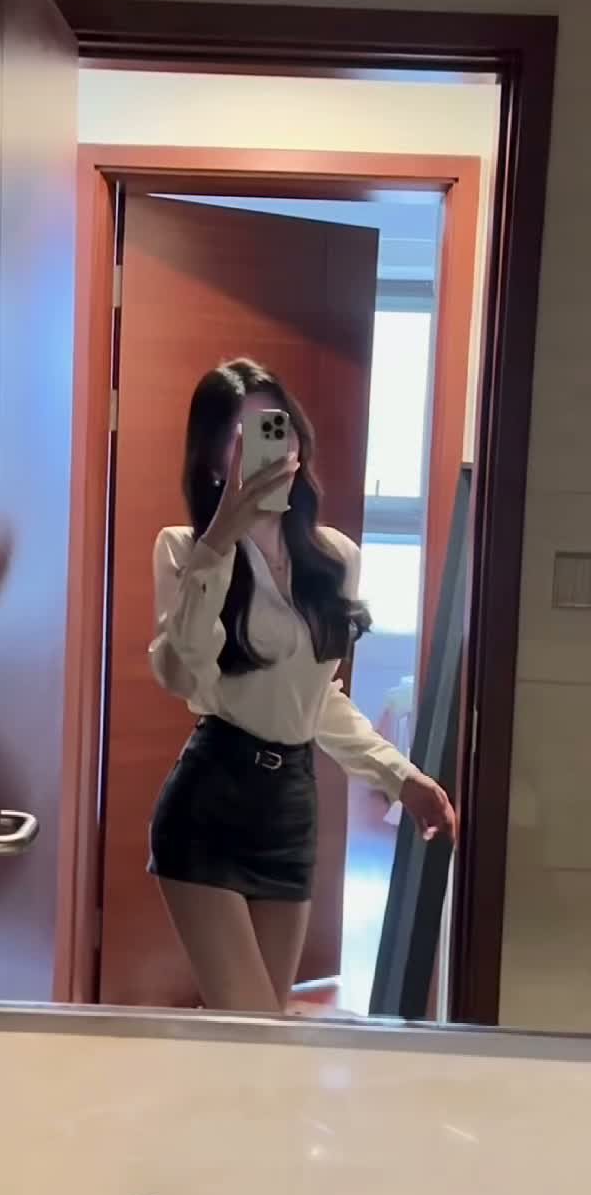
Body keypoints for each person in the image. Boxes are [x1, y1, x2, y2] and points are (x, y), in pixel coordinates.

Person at [148, 358, 455, 1013]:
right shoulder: (185, 550)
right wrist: (219, 541)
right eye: (241, 435)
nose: (264, 445)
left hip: (291, 806)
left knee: (257, 1035)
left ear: (296, 441)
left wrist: (400, 776)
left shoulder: (334, 559)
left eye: (274, 425)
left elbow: (319, 700)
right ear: (213, 459)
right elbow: (180, 674)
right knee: (250, 1027)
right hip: (210, 800)